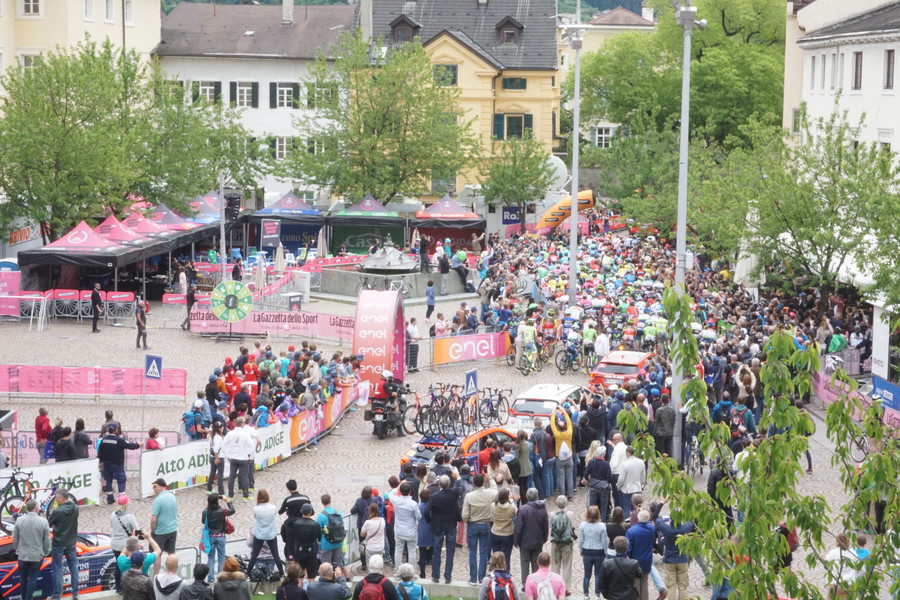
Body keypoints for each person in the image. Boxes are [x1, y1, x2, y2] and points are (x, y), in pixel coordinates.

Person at [424, 474, 461, 584]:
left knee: (436, 551)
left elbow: (426, 511)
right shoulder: (454, 494)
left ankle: (436, 575)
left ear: (440, 484)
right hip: (450, 525)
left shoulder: (435, 496)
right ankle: (448, 577)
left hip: (438, 525)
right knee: (450, 552)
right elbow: (461, 487)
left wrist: (429, 521)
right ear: (449, 483)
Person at [12, 498, 50, 600]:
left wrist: (17, 549)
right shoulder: (43, 521)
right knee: (33, 578)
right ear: (36, 508)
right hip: (37, 556)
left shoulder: (19, 520)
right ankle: (28, 598)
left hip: (23, 555)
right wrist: (46, 552)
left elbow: (15, 538)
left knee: (23, 578)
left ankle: (23, 597)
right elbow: (47, 540)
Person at [463, 473, 497, 585]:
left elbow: (464, 515)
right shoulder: (490, 493)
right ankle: (481, 577)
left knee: (472, 552)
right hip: (485, 524)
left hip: (473, 524)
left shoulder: (469, 496)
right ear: (483, 482)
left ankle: (473, 578)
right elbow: (496, 490)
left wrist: (468, 520)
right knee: (483, 552)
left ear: (474, 483)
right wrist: (491, 479)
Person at [98, 423, 142, 505]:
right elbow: (130, 446)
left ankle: (109, 498)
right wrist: (138, 445)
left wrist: (101, 462)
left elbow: (100, 453)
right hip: (117, 465)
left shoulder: (103, 440)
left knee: (108, 481)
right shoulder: (119, 440)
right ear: (116, 430)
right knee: (121, 481)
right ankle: (122, 499)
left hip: (107, 464)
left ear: (108, 430)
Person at [246, 489, 285, 579]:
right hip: (271, 533)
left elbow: (256, 517)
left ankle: (248, 574)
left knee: (254, 555)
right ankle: (282, 574)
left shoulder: (256, 509)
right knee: (276, 555)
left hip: (259, 534)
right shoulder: (273, 508)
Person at [48, 487, 79, 600]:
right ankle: (75, 593)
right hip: (71, 543)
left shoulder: (57, 511)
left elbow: (49, 523)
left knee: (57, 568)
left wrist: (55, 526)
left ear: (61, 498)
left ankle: (57, 595)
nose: (55, 500)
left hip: (58, 543)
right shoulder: (75, 508)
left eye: (56, 498)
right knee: (73, 568)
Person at [514, 488, 549, 580]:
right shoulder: (543, 509)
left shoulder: (522, 509)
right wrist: (544, 538)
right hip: (538, 541)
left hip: (525, 542)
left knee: (524, 563)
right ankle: (536, 581)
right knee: (536, 563)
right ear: (537, 497)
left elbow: (518, 527)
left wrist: (516, 540)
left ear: (526, 496)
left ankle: (525, 583)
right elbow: (545, 526)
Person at [656, 515, 693, 600]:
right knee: (683, 586)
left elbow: (656, 519)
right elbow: (692, 518)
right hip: (682, 560)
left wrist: (662, 505)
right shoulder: (685, 528)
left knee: (671, 587)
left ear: (671, 519)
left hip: (669, 560)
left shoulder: (667, 529)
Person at [202, 493, 235, 582]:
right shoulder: (222, 511)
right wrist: (228, 501)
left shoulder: (205, 512)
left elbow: (203, 521)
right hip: (221, 536)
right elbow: (232, 510)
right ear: (217, 501)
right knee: (221, 557)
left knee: (210, 558)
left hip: (210, 537)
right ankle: (221, 577)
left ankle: (211, 578)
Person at [283, 503, 321, 579]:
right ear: (311, 512)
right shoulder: (315, 525)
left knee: (299, 577)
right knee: (311, 577)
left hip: (299, 552)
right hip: (311, 552)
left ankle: (299, 590)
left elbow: (293, 536)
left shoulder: (296, 524)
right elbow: (319, 538)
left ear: (301, 511)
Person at [111, 494, 140, 592]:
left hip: (115, 544)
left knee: (118, 565)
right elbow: (136, 531)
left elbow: (112, 526)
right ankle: (127, 587)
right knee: (127, 566)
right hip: (125, 545)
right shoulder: (130, 517)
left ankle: (118, 588)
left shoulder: (113, 514)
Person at [578, 505, 608, 598]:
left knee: (587, 574)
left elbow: (581, 540)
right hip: (599, 552)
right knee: (598, 574)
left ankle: (586, 594)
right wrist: (605, 552)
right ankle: (597, 594)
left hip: (587, 551)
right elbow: (604, 541)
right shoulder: (602, 526)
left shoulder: (583, 525)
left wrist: (581, 550)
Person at [150, 478, 179, 576]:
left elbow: (153, 519)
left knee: (157, 554)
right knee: (171, 553)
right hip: (172, 529)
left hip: (160, 532)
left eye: (155, 486)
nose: (153, 489)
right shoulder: (172, 496)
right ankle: (173, 574)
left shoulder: (158, 500)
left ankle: (156, 577)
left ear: (161, 487)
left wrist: (152, 531)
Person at [625, 510, 656, 600]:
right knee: (644, 583)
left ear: (638, 518)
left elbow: (628, 549)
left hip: (635, 561)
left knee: (636, 585)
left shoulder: (632, 531)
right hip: (647, 560)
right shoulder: (651, 529)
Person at [316, 494, 348, 579]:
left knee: (326, 567)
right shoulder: (338, 513)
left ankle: (327, 585)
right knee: (338, 566)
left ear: (322, 502)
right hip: (338, 542)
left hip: (326, 544)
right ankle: (339, 582)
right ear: (330, 500)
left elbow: (317, 530)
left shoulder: (321, 516)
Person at [221, 417, 254, 500]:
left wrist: (227, 456)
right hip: (243, 458)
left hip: (233, 458)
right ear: (242, 424)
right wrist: (250, 456)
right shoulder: (245, 434)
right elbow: (252, 446)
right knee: (244, 477)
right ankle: (245, 495)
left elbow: (223, 445)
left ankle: (231, 495)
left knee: (232, 476)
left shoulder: (230, 434)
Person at [549, 496, 577, 591]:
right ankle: (565, 589)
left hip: (555, 543)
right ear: (566, 503)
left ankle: (555, 588)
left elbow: (550, 527)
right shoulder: (570, 514)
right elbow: (573, 527)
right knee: (567, 566)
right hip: (567, 543)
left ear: (556, 503)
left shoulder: (552, 514)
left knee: (555, 565)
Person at [582, 442, 614, 522]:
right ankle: (602, 521)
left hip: (593, 487)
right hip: (603, 488)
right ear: (603, 454)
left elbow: (586, 474)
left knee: (592, 506)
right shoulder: (606, 464)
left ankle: (591, 519)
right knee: (603, 506)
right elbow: (610, 477)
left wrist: (589, 480)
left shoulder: (592, 462)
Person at [392, 482, 421, 568]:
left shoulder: (396, 501)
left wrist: (398, 486)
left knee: (398, 550)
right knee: (412, 551)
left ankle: (397, 570)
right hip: (410, 530)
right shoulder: (413, 504)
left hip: (399, 530)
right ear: (410, 491)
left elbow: (391, 493)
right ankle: (411, 571)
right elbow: (418, 517)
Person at [490, 487, 517, 570]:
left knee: (495, 555)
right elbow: (516, 513)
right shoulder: (511, 507)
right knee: (507, 556)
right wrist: (513, 500)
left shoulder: (493, 506)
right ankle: (506, 572)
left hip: (496, 532)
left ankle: (495, 572)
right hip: (508, 533)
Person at [617, 446, 645, 520]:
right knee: (638, 508)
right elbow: (643, 477)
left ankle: (626, 524)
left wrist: (618, 486)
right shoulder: (641, 462)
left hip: (626, 489)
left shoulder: (624, 464)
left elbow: (621, 479)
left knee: (626, 508)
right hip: (637, 488)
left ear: (627, 452)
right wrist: (641, 485)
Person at [360, 502, 387, 566]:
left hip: (371, 547)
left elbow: (362, 534)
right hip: (380, 546)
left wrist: (368, 534)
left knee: (370, 565)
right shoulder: (382, 520)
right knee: (379, 564)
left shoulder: (367, 522)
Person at [206, 420, 226, 495]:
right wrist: (217, 458)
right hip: (218, 457)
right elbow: (216, 449)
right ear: (219, 428)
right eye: (222, 427)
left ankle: (209, 488)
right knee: (220, 475)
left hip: (212, 456)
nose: (223, 428)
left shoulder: (212, 435)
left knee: (212, 473)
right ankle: (221, 491)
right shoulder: (218, 438)